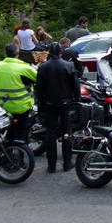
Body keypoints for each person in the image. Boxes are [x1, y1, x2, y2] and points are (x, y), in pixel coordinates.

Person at [34, 42, 80, 173]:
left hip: (49, 103)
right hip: (65, 103)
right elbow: (75, 86)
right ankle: (67, 162)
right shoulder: (68, 65)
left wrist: (41, 105)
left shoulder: (43, 67)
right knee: (67, 132)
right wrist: (76, 100)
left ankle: (51, 165)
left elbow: (39, 88)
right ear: (61, 52)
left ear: (49, 52)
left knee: (50, 133)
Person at [0, 43, 38, 142]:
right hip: (22, 106)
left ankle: (8, 151)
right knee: (21, 131)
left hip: (5, 104)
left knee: (10, 129)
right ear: (18, 53)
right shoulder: (24, 68)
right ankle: (21, 151)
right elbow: (39, 79)